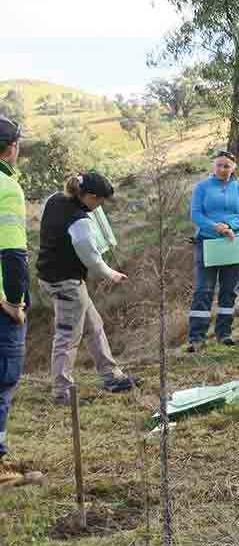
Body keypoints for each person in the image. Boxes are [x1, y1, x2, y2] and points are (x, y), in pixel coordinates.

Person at [37, 172, 139, 405]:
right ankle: (62, 392)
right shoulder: (79, 219)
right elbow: (91, 258)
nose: (100, 205)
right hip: (66, 282)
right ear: (90, 196)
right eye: (100, 200)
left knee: (94, 326)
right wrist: (111, 274)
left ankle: (112, 377)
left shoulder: (55, 199)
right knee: (67, 337)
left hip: (52, 275)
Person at [187, 150, 239, 352]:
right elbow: (196, 215)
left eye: (227, 166)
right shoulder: (202, 188)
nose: (223, 169)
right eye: (219, 165)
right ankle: (197, 338)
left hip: (233, 244)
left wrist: (229, 226)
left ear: (234, 168)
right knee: (203, 290)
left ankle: (224, 334)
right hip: (207, 242)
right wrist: (216, 227)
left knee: (229, 291)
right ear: (213, 166)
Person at [0, 117, 33, 484]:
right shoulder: (7, 187)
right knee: (2, 381)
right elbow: (12, 253)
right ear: (11, 147)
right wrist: (14, 301)